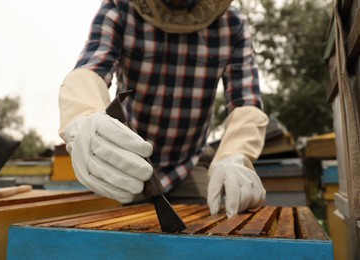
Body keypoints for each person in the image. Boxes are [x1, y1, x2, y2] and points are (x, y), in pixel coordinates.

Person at [58, 0, 269, 218]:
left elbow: (246, 102)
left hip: (188, 163)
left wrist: (235, 154)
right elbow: (90, 70)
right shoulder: (120, 8)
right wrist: (83, 118)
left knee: (212, 225)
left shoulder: (233, 24)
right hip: (124, 160)